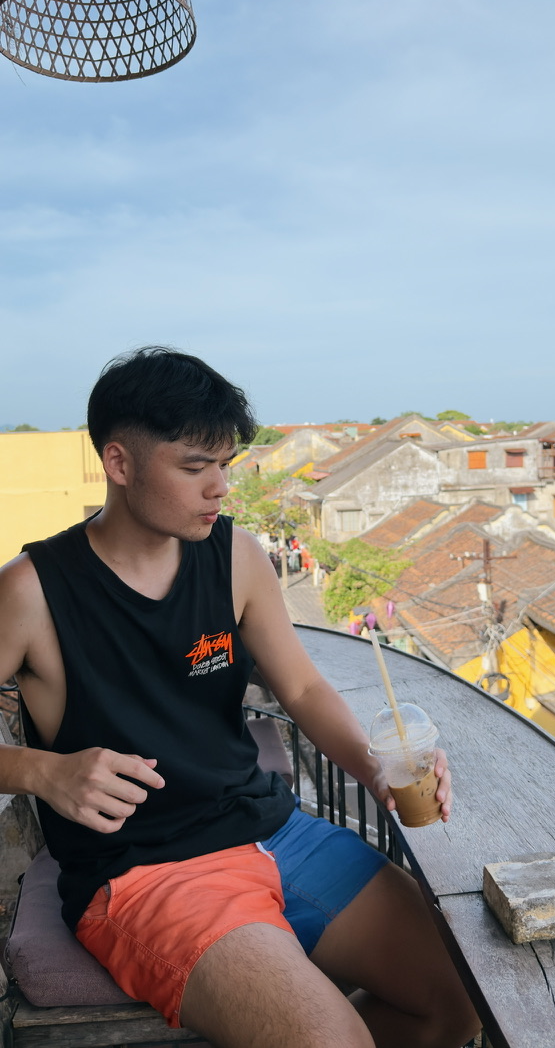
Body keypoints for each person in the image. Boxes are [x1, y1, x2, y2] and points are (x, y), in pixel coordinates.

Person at [0, 347, 479, 1048]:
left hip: (271, 829)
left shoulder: (236, 557)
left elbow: (303, 686)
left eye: (224, 464)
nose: (219, 487)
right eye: (195, 467)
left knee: (459, 1000)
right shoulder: (31, 589)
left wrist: (374, 767)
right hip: (145, 871)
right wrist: (42, 771)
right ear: (120, 463)